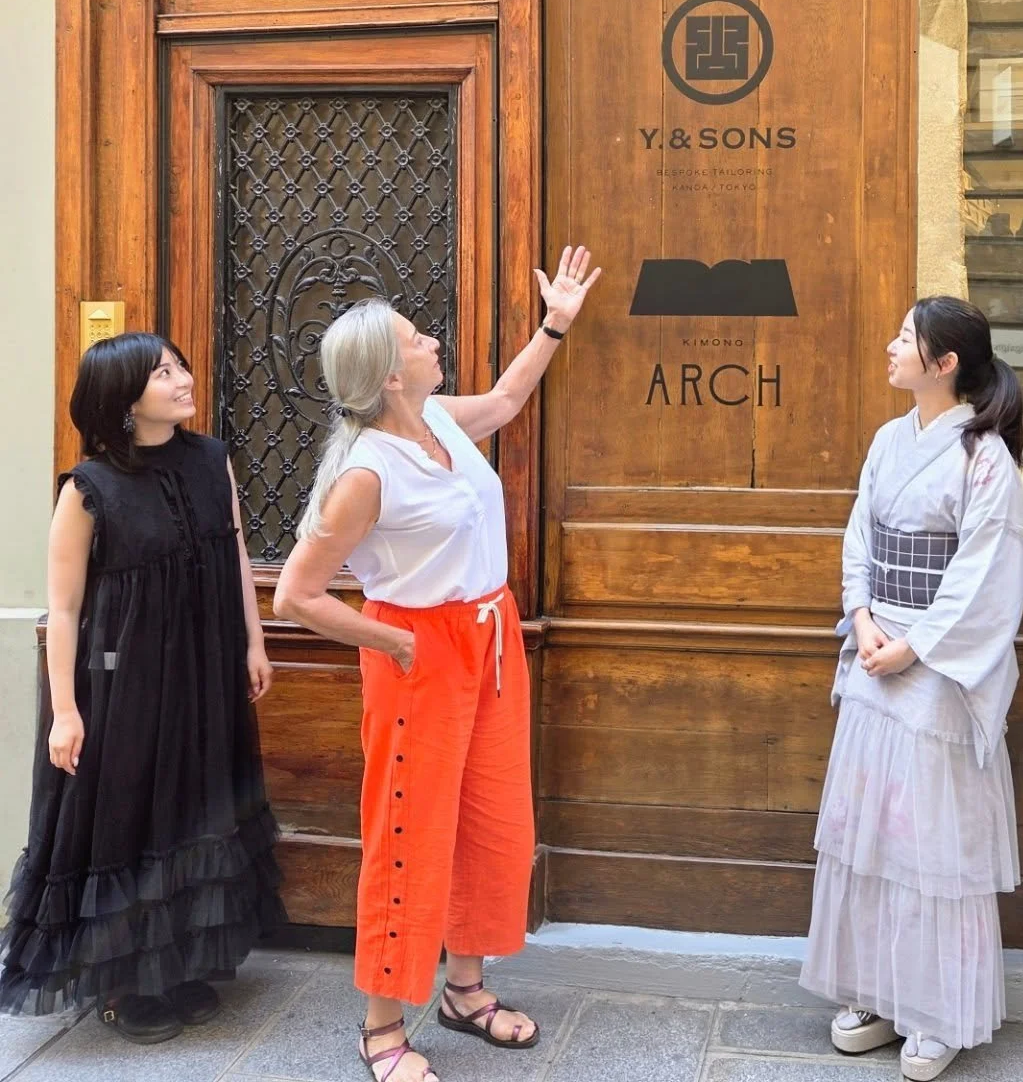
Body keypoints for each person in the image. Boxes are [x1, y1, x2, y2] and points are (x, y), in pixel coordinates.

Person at [273, 246, 600, 1082]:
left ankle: (464, 990)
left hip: (490, 639)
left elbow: (508, 398)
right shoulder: (365, 473)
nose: (432, 342)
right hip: (418, 653)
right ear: (389, 375)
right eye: (417, 339)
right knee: (409, 835)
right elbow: (296, 596)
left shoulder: (439, 419)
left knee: (491, 821)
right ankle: (382, 1027)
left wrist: (556, 323)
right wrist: (392, 643)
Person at [0, 334, 284, 1042]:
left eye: (179, 365)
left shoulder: (212, 460)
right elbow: (64, 609)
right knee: (127, 820)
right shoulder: (87, 488)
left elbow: (235, 553)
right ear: (124, 398)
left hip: (205, 673)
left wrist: (253, 642)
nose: (183, 378)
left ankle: (179, 964)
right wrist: (66, 711)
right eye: (163, 372)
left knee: (193, 809)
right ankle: (121, 984)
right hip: (122, 684)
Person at [800, 297, 1023, 1082]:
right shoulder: (887, 440)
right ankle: (876, 990)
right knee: (871, 830)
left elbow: (985, 571)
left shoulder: (984, 456)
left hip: (937, 667)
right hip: (877, 653)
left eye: (906, 337)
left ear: (945, 362)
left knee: (930, 839)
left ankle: (936, 1009)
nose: (892, 347)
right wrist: (863, 617)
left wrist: (916, 646)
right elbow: (859, 535)